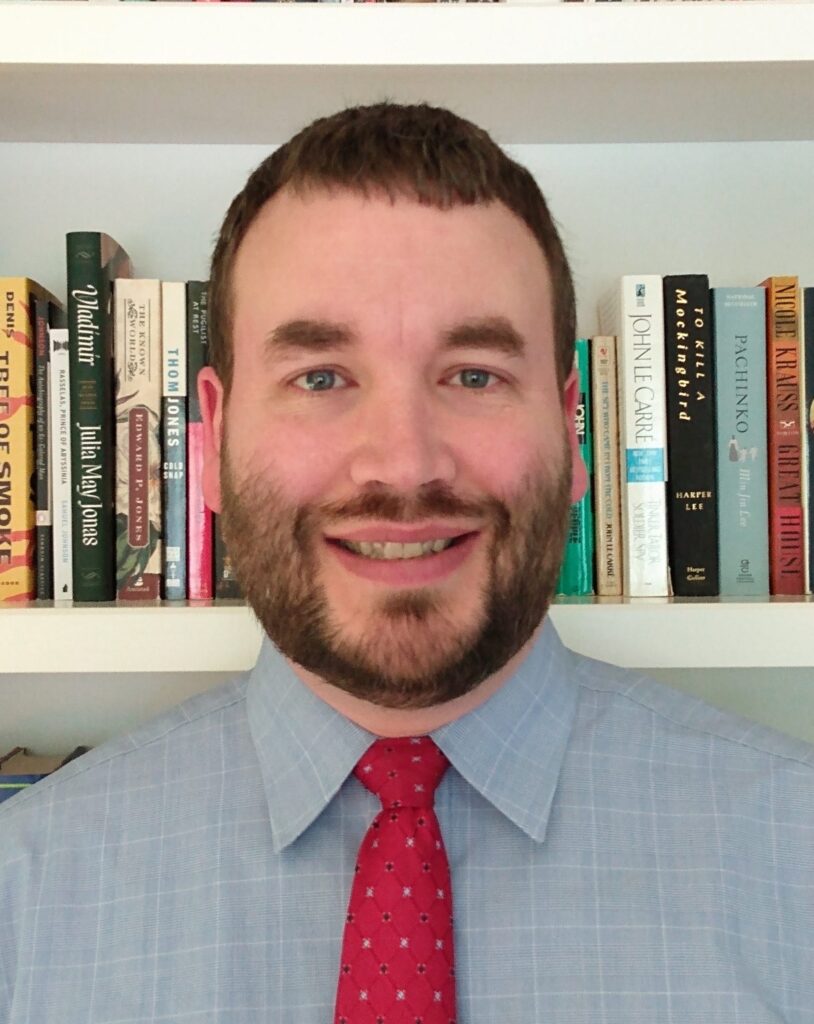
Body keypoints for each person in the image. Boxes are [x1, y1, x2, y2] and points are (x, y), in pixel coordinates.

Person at [1, 102, 812, 1024]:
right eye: (319, 377)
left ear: (570, 426)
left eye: (474, 374)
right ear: (215, 440)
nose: (403, 462)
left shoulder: (795, 860)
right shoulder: (24, 900)